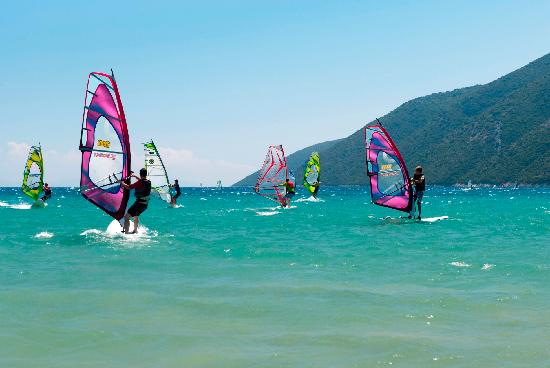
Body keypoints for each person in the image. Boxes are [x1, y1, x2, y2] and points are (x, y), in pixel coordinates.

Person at [120, 168, 151, 234]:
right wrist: (134, 176)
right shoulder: (148, 181)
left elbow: (128, 187)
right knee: (136, 216)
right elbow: (141, 181)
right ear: (146, 174)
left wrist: (121, 183)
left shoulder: (139, 182)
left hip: (139, 204)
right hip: (144, 205)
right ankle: (135, 230)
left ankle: (126, 233)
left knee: (126, 217)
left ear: (140, 174)